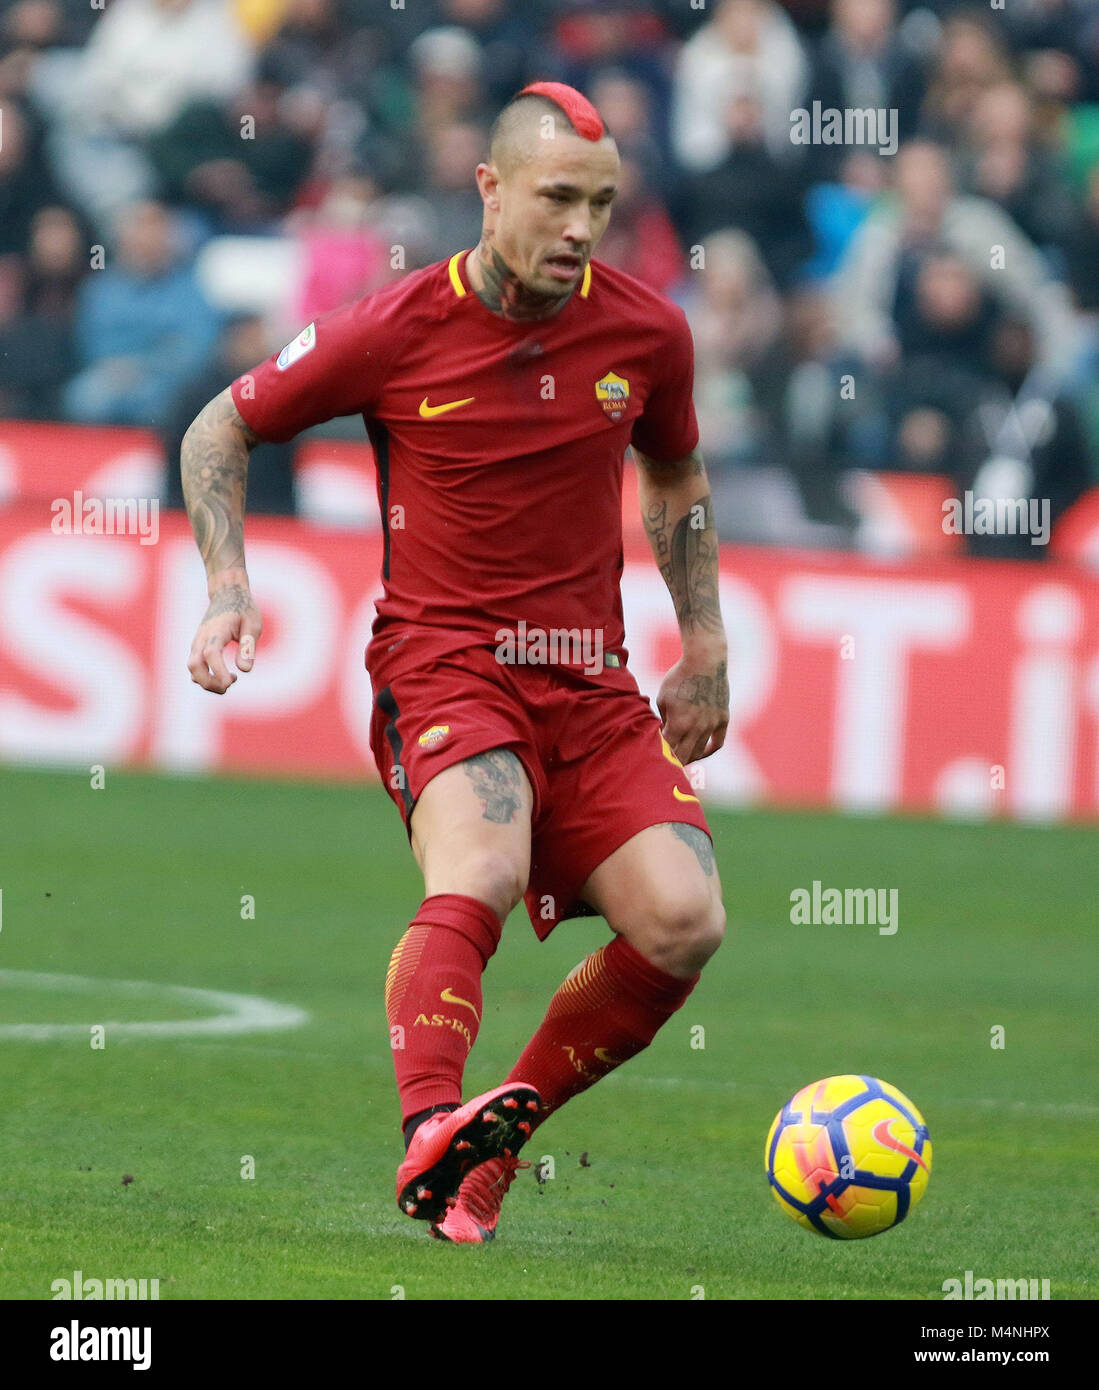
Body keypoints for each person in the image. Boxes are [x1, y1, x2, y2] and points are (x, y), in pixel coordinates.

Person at [179, 81, 728, 1244]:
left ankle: (488, 1151)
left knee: (684, 919)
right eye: (556, 198)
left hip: (590, 680)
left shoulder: (646, 332)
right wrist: (229, 584)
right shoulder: (395, 328)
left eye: (601, 203)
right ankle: (432, 1122)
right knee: (478, 865)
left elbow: (675, 475)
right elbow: (219, 426)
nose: (581, 228)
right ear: (490, 190)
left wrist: (708, 640)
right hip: (445, 661)